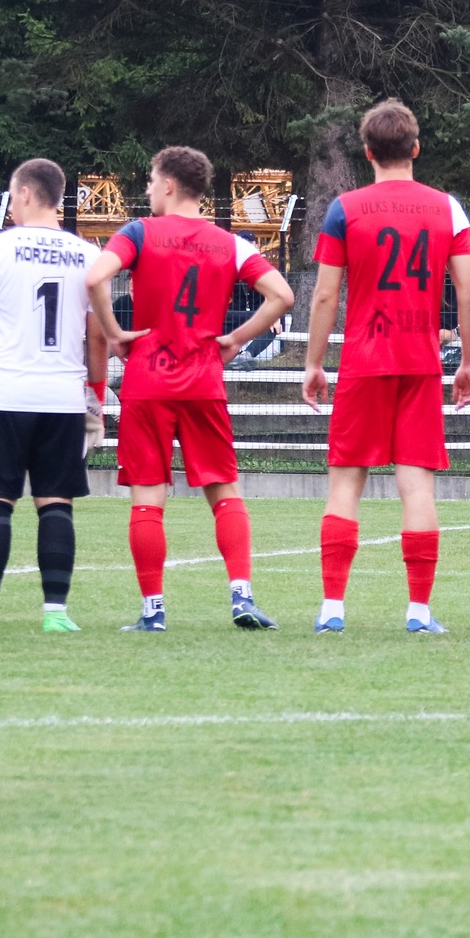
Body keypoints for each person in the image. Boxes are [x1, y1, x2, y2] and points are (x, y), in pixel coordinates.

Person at [87, 146, 295, 632]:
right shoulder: (230, 242)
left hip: (148, 381)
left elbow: (95, 276)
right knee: (224, 490)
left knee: (147, 497)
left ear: (168, 185)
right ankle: (242, 596)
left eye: (149, 181)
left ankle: (153, 612)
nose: (145, 189)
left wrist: (115, 332)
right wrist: (236, 339)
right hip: (203, 379)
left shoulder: (138, 233)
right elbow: (282, 295)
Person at [299, 100, 470, 634]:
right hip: (420, 362)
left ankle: (333, 608)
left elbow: (326, 295)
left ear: (368, 152)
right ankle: (418, 612)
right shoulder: (447, 208)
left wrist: (314, 362)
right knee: (417, 488)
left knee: (344, 485)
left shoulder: (343, 207)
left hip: (363, 359)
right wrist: (468, 361)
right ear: (416, 149)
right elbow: (468, 291)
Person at [0, 159, 108, 634]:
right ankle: (56, 613)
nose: (11, 204)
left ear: (26, 194)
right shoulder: (89, 255)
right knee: (56, 501)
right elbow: (96, 336)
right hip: (62, 395)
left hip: (8, 393)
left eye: (12, 196)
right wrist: (95, 397)